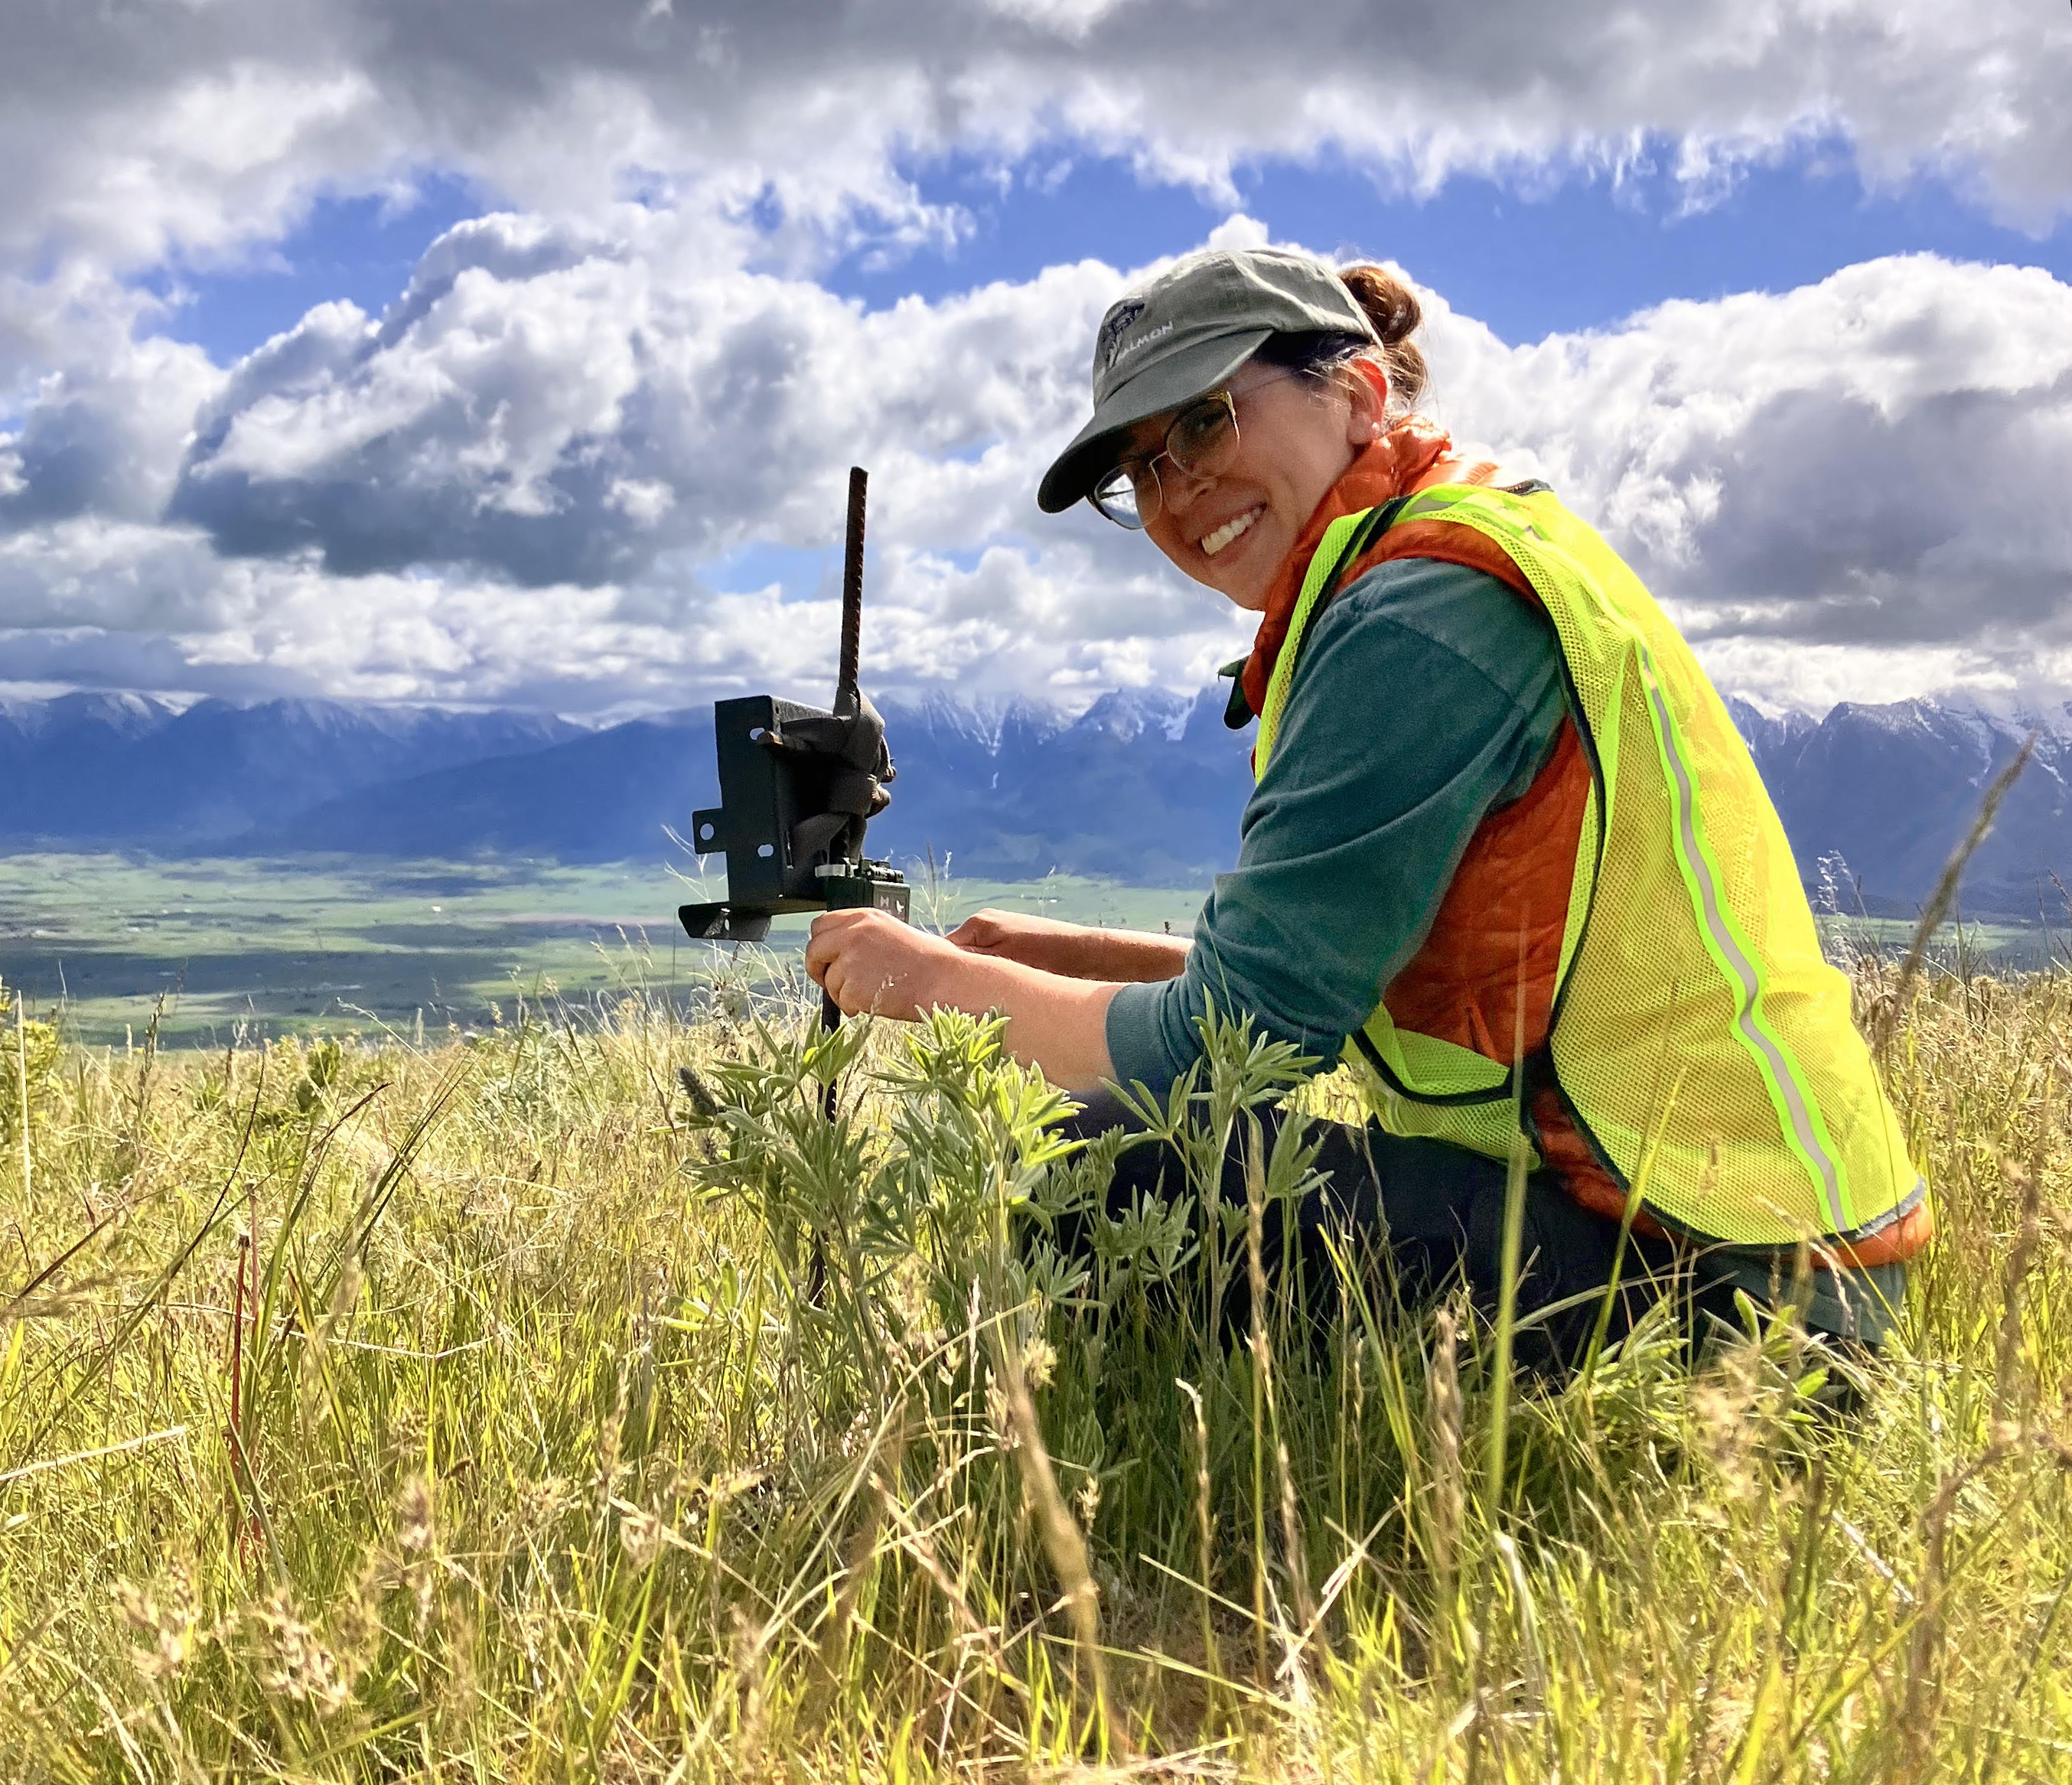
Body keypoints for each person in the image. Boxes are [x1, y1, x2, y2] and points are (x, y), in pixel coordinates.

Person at [806, 244, 1927, 1370]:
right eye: (1137, 470)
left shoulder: (1414, 613)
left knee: (1108, 1162)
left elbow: (1227, 1044)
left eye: (1204, 421)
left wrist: (937, 983)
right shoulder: (1435, 554)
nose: (1175, 489)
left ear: (1356, 392)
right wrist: (1041, 951)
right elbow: (1328, 971)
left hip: (1729, 1300)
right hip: (1753, 1256)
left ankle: (1165, 1497)